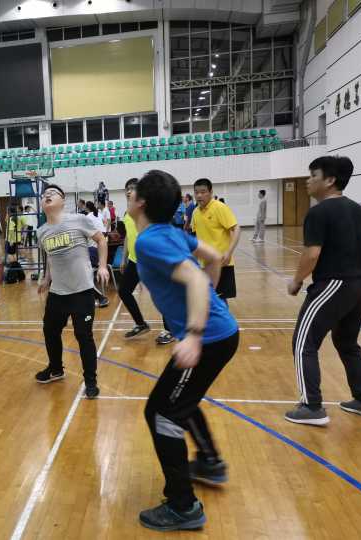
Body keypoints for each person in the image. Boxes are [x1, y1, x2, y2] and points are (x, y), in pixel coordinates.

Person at [129, 170, 239, 532]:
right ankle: (209, 461)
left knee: (162, 413)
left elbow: (194, 278)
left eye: (131, 194)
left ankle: (183, 506)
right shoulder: (172, 232)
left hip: (209, 340)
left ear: (141, 203)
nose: (128, 198)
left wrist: (193, 333)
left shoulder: (149, 241)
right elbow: (215, 257)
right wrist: (210, 297)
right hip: (221, 334)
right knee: (179, 402)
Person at [285, 156, 361, 425]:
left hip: (334, 283)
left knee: (304, 342)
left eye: (313, 175)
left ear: (330, 180)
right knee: (347, 342)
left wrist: (297, 280)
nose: (307, 180)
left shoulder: (319, 212)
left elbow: (312, 254)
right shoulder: (360, 211)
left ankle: (311, 407)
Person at [36, 184, 109, 399]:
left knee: (83, 336)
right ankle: (56, 369)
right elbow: (50, 257)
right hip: (57, 293)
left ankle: (91, 381)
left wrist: (102, 266)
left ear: (63, 201)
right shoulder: (41, 231)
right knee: (50, 330)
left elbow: (101, 239)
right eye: (44, 195)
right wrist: (47, 279)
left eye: (52, 193)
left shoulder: (79, 220)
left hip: (82, 291)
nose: (47, 195)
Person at [191, 178, 240, 305]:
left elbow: (236, 229)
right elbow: (196, 237)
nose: (199, 195)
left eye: (203, 192)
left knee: (220, 300)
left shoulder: (219, 207)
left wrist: (229, 252)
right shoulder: (195, 212)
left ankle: (225, 319)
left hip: (222, 263)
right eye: (196, 192)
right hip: (204, 264)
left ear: (211, 192)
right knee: (207, 299)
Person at [119, 179, 150, 338]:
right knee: (124, 291)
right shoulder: (127, 213)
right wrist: (123, 258)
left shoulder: (147, 212)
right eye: (127, 189)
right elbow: (127, 237)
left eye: (133, 188)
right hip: (134, 260)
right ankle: (140, 323)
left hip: (150, 262)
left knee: (162, 294)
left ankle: (169, 330)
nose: (129, 191)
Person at [84, 201, 110, 308]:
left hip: (94, 251)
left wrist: (102, 265)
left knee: (81, 272)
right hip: (97, 250)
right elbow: (106, 227)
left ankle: (99, 297)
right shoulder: (99, 214)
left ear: (86, 208)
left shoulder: (88, 218)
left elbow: (101, 237)